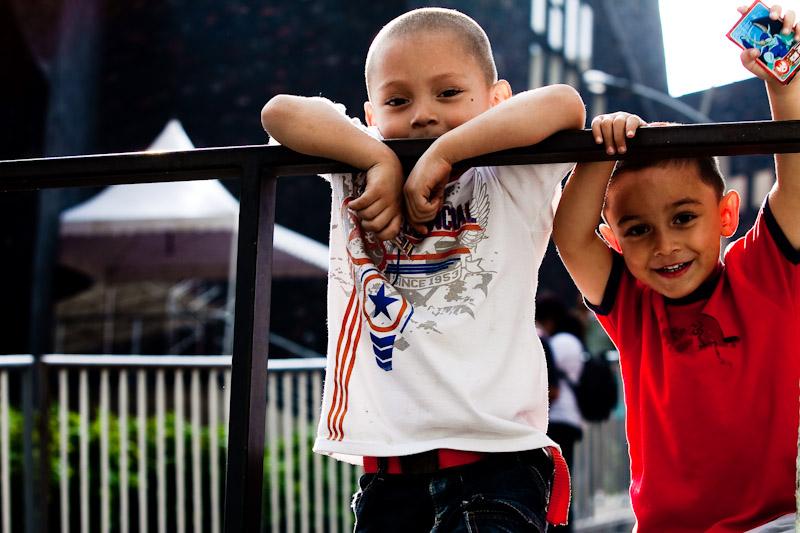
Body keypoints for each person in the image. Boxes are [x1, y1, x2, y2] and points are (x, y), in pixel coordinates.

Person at [261, 7, 585, 531]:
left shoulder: (508, 173)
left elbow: (565, 104)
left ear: (496, 100)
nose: (423, 115)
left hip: (496, 463)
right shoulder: (355, 168)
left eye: (449, 93)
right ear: (371, 116)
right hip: (388, 474)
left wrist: (445, 154)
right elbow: (279, 112)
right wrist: (377, 160)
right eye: (397, 101)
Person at [551, 4, 800, 531]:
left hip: (773, 522)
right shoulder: (633, 308)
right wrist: (601, 151)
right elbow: (570, 237)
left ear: (727, 214)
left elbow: (797, 183)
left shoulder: (764, 274)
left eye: (684, 217)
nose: (665, 245)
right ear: (614, 241)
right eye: (638, 229)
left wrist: (783, 83)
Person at [535, 294, 586, 533]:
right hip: (569, 420)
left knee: (554, 488)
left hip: (556, 420)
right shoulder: (572, 341)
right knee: (563, 486)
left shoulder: (557, 343)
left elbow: (550, 380)